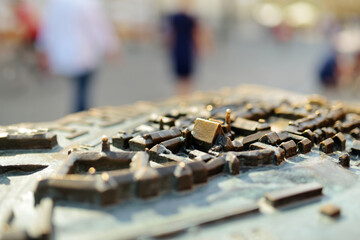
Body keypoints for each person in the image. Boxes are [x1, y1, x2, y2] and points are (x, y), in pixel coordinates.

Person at [37, 0, 120, 112]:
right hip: (84, 53)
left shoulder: (55, 3)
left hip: (63, 54)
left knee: (77, 89)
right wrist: (110, 46)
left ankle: (77, 115)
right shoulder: (88, 3)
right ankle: (80, 116)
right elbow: (98, 26)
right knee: (82, 91)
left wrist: (43, 51)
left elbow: (47, 28)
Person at [165, 1, 200, 96]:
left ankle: (185, 94)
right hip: (182, 47)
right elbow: (171, 34)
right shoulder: (178, 18)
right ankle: (183, 94)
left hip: (184, 46)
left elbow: (195, 34)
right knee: (182, 75)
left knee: (186, 75)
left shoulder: (187, 19)